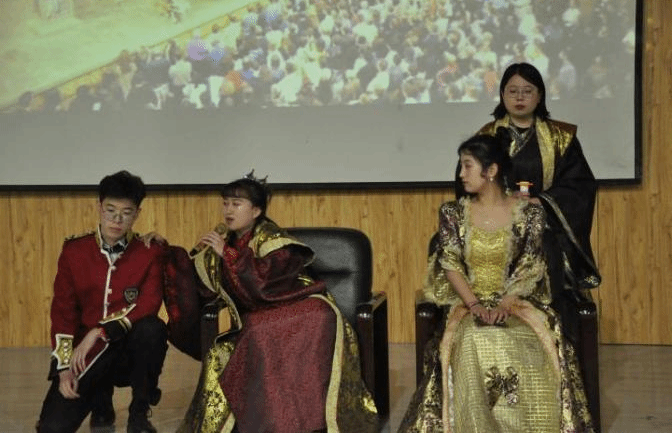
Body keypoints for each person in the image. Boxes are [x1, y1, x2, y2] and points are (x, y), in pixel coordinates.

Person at [399, 134, 594, 432]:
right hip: (469, 303)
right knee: (473, 339)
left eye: (468, 166)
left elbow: (530, 263)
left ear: (491, 171)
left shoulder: (529, 213)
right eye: (461, 166)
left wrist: (507, 302)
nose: (461, 174)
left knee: (524, 341)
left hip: (517, 302)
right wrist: (474, 304)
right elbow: (450, 262)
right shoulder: (453, 213)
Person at [175, 175, 379, 433]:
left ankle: (298, 422)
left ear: (256, 210)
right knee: (246, 335)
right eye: (225, 203)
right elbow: (201, 283)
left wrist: (226, 254)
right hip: (266, 315)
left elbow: (265, 285)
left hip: (306, 310)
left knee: (258, 332)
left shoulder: (273, 239)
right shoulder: (225, 238)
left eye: (236, 204)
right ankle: (274, 421)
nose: (228, 210)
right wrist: (179, 256)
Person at [456, 62, 600, 302]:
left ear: (540, 95)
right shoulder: (486, 138)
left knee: (548, 257)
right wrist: (503, 204)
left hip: (545, 230)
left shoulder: (561, 138)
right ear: (502, 95)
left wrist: (541, 202)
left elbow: (579, 186)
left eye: (527, 91)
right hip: (495, 230)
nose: (519, 97)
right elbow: (465, 182)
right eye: (513, 91)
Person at [36, 171, 167, 433]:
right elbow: (63, 312)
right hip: (87, 355)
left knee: (153, 328)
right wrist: (64, 367)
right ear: (99, 207)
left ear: (137, 214)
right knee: (52, 427)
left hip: (126, 350)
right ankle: (101, 403)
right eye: (110, 210)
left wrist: (101, 330)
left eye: (126, 213)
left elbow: (149, 302)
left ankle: (138, 414)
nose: (117, 220)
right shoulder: (74, 251)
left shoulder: (150, 251)